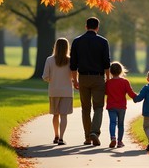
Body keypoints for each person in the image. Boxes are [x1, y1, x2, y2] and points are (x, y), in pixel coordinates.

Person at [70, 17, 111, 146]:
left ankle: (87, 137)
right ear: (97, 28)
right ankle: (94, 132)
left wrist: (75, 79)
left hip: (83, 77)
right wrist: (108, 79)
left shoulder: (77, 41)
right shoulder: (103, 42)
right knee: (98, 107)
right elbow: (106, 63)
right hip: (98, 78)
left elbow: (73, 64)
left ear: (86, 26)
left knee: (85, 108)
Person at [42, 38, 74, 145]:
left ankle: (55, 135)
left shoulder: (49, 60)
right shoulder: (70, 60)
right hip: (67, 91)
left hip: (54, 90)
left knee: (55, 115)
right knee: (63, 115)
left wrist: (53, 79)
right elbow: (74, 76)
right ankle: (61, 138)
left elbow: (45, 76)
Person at [105, 62, 137, 148]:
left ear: (110, 72)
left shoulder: (108, 83)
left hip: (111, 106)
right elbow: (130, 93)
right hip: (121, 107)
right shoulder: (125, 82)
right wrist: (137, 97)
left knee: (112, 122)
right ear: (121, 71)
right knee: (120, 124)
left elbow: (106, 92)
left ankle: (113, 137)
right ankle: (119, 141)